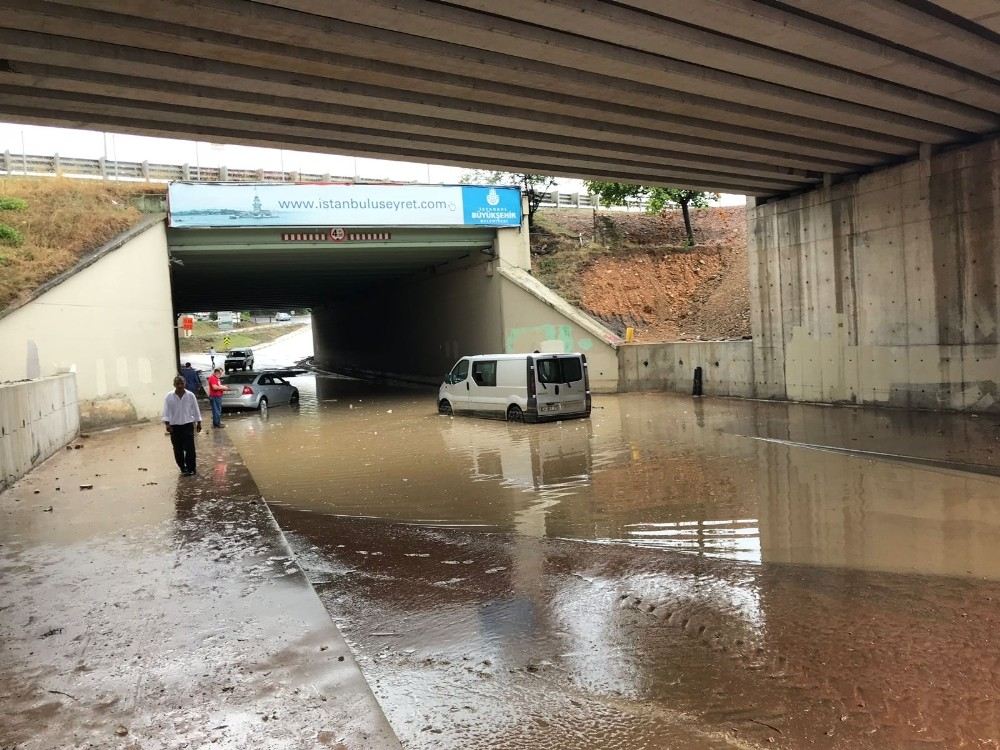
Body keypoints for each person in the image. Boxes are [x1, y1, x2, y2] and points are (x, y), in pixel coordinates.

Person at [163, 375, 202, 476]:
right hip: (174, 427)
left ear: (185, 384)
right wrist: (167, 424)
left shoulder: (190, 395)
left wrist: (199, 422)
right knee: (177, 449)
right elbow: (166, 411)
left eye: (182, 383)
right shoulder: (169, 396)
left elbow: (196, 409)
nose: (180, 386)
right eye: (177, 384)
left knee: (190, 449)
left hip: (188, 425)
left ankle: (191, 468)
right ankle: (182, 467)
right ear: (174, 384)